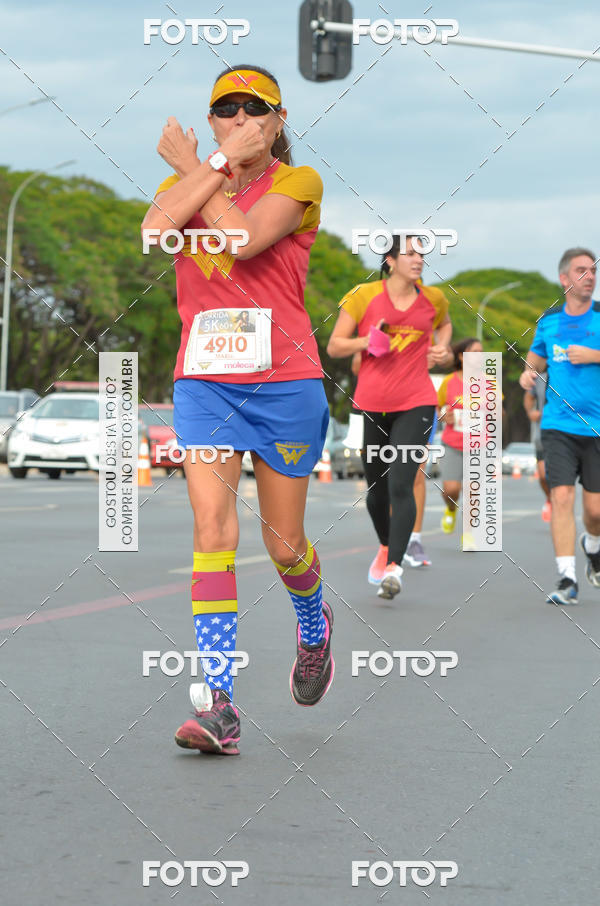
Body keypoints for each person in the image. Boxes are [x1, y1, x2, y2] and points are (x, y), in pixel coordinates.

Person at [141, 65, 333, 755]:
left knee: (283, 546)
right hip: (206, 384)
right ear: (214, 117)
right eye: (226, 109)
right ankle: (218, 703)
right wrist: (204, 172)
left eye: (255, 109)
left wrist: (204, 164)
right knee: (212, 528)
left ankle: (314, 624)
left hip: (284, 382)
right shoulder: (184, 184)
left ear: (279, 122)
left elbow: (244, 239)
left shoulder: (297, 182)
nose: (241, 118)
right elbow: (155, 228)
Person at [327, 236, 452, 599]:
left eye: (422, 255)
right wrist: (366, 341)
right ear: (390, 260)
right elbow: (335, 345)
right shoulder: (363, 296)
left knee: (402, 482)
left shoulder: (434, 299)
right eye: (410, 254)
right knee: (376, 493)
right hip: (372, 403)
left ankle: (394, 568)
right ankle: (385, 546)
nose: (419, 260)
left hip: (417, 401)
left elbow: (443, 325)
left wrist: (442, 347)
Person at [519, 247, 600, 605]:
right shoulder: (549, 321)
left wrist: (595, 356)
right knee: (562, 496)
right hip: (558, 425)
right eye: (582, 270)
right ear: (565, 278)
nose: (591, 276)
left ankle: (592, 547)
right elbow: (535, 360)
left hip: (596, 428)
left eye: (594, 270)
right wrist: (527, 374)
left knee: (595, 512)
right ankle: (567, 577)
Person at [437, 337, 483, 549]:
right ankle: (451, 508)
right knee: (451, 489)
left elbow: (498, 413)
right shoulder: (449, 381)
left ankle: (469, 534)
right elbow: (439, 409)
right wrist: (444, 416)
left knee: (473, 490)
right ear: (461, 357)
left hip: (478, 445)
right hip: (452, 444)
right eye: (474, 352)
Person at [523, 373, 551, 521]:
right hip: (542, 433)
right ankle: (550, 499)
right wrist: (530, 412)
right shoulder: (540, 376)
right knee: (543, 475)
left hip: (565, 432)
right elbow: (529, 397)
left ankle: (561, 503)